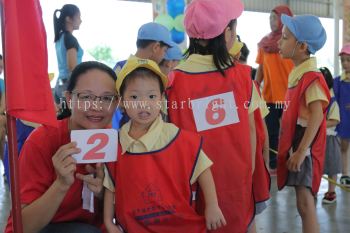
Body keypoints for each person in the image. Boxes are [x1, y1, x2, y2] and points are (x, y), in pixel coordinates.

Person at [167, 0, 260, 232]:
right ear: (227, 33)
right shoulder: (243, 78)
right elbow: (251, 131)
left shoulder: (172, 82)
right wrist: (249, 175)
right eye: (234, 29)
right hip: (236, 185)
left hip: (190, 187)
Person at [104, 58, 226, 233]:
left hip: (180, 225)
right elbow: (110, 185)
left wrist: (212, 206)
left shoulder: (177, 137)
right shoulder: (115, 143)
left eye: (152, 96)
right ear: (121, 102)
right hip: (134, 227)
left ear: (161, 99)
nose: (143, 103)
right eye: (134, 96)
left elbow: (203, 169)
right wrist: (108, 221)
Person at [5, 61, 118, 233]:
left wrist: (104, 194)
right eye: (86, 97)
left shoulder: (118, 143)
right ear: (68, 99)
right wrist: (61, 184)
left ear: (116, 103)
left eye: (106, 98)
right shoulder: (42, 141)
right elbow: (22, 227)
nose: (96, 106)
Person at [277, 14, 330, 233]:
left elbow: (317, 116)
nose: (279, 42)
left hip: (304, 145)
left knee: (305, 203)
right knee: (302, 203)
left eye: (285, 37)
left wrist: (301, 151)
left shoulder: (311, 77)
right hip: (299, 143)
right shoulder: (299, 74)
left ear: (302, 46)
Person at [111, 22, 173, 130]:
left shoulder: (119, 67)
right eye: (164, 51)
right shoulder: (156, 72)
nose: (164, 56)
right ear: (156, 47)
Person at [255, 5, 294, 172]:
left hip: (289, 96)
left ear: (284, 19)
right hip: (270, 97)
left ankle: (290, 159)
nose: (271, 21)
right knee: (271, 132)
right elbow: (261, 68)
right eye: (270, 18)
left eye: (274, 18)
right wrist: (255, 86)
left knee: (289, 132)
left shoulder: (292, 42)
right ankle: (273, 162)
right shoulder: (265, 44)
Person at [53, 4, 83, 119]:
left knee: (65, 120)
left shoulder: (59, 38)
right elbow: (72, 67)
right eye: (79, 17)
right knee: (69, 121)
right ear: (68, 19)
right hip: (67, 85)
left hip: (59, 84)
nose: (81, 20)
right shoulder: (70, 38)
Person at [319, 67, 341, 204]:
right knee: (317, 166)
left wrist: (319, 124)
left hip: (330, 138)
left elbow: (335, 120)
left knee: (332, 166)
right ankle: (313, 189)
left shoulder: (332, 102)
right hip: (318, 138)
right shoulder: (318, 100)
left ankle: (331, 191)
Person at [333, 44, 350, 187]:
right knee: (343, 148)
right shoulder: (337, 81)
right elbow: (334, 101)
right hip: (344, 120)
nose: (345, 63)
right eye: (343, 60)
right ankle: (345, 174)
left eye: (348, 60)